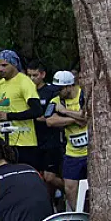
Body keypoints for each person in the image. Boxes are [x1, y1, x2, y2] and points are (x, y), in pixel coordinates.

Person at [0, 51, 43, 168]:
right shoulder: (0, 82)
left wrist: (9, 116)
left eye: (4, 65)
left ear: (14, 65)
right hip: (1, 140)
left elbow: (37, 111)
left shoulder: (24, 82)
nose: (0, 69)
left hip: (23, 142)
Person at [47, 71, 89, 210]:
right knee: (70, 187)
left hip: (91, 150)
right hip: (73, 152)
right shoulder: (56, 101)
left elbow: (87, 115)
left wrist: (64, 112)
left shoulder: (84, 94)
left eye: (60, 89)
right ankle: (78, 213)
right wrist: (75, 119)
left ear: (69, 86)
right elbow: (50, 121)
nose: (57, 92)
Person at [26, 60, 65, 193]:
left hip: (50, 141)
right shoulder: (26, 91)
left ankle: (70, 191)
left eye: (35, 75)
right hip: (33, 140)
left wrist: (31, 116)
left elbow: (52, 115)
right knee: (40, 177)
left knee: (50, 177)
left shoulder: (51, 91)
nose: (32, 79)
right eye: (29, 75)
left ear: (42, 74)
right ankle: (50, 201)